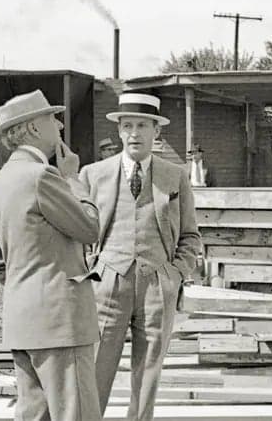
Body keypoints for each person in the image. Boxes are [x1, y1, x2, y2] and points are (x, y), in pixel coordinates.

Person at [79, 93, 202, 420]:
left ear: (156, 132)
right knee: (95, 368)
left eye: (143, 126)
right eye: (128, 125)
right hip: (107, 285)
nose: (135, 133)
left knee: (148, 373)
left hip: (157, 285)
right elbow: (77, 233)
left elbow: (191, 235)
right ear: (119, 131)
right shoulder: (93, 175)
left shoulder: (174, 176)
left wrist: (174, 273)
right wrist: (91, 272)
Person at [0, 89, 102, 421]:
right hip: (60, 322)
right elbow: (91, 228)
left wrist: (30, 286)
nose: (60, 125)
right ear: (34, 128)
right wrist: (74, 179)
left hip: (23, 322)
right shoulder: (43, 176)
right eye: (52, 118)